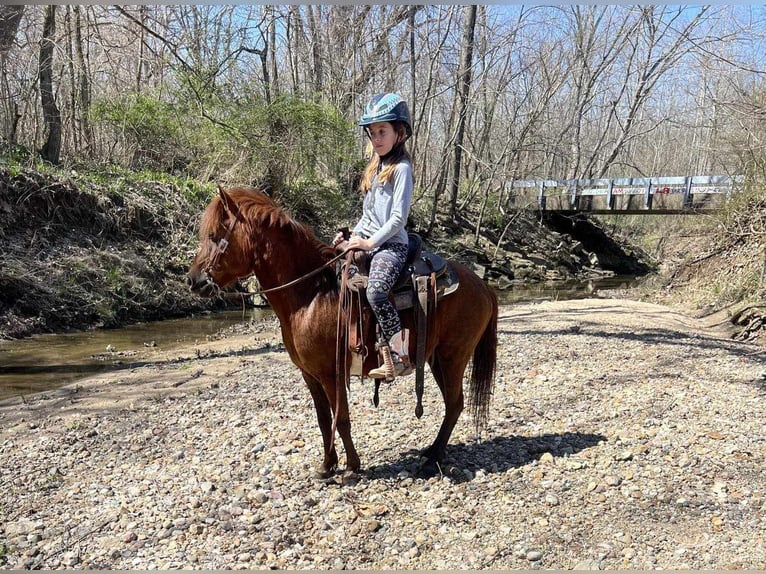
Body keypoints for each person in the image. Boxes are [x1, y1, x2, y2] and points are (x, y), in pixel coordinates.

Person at [333, 92, 414, 379]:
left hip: (392, 246)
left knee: (377, 290)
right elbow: (369, 216)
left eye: (383, 131)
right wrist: (351, 238)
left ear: (399, 133)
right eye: (372, 133)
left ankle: (399, 355)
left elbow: (397, 219)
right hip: (370, 241)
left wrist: (368, 243)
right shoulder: (374, 168)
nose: (376, 138)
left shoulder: (402, 169)